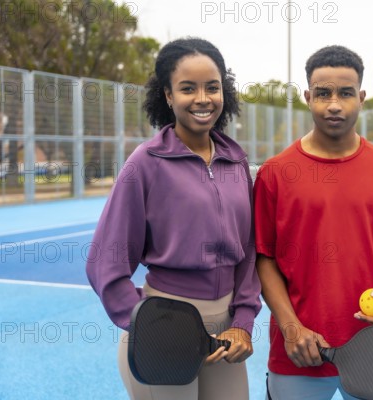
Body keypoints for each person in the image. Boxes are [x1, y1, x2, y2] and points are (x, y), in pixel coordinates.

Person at [86, 37, 261, 400]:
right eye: (187, 88)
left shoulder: (236, 162)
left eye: (213, 87)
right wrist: (150, 326)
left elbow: (248, 251)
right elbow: (106, 260)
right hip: (165, 326)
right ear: (167, 95)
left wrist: (242, 323)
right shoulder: (145, 163)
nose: (202, 98)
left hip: (225, 333)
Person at [253, 45, 373, 399]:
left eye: (346, 93)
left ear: (361, 97)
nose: (334, 104)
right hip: (299, 352)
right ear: (307, 97)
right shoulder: (275, 173)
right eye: (323, 93)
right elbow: (264, 259)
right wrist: (290, 327)